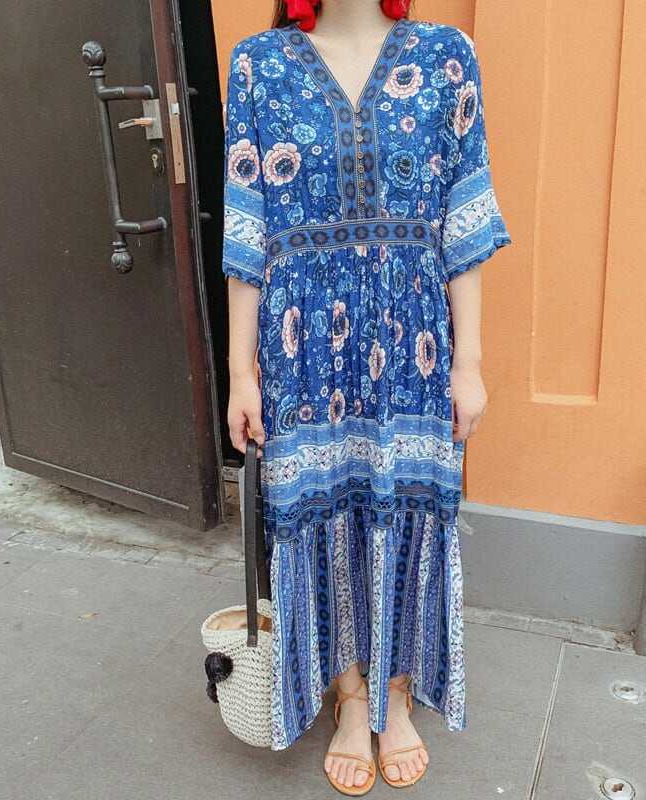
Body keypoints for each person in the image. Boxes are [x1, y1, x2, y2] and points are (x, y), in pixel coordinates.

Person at [221, 0, 510, 793]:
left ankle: (398, 691)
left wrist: (469, 364)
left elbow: (464, 224)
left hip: (413, 341)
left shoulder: (447, 56)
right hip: (300, 346)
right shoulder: (257, 65)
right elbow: (246, 233)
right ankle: (351, 696)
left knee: (408, 505)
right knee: (323, 508)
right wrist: (242, 372)